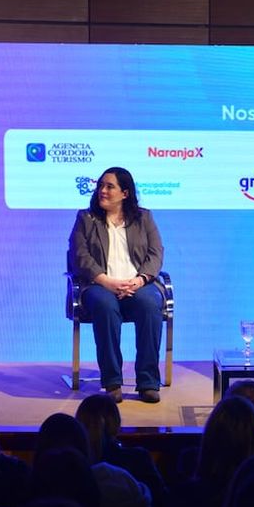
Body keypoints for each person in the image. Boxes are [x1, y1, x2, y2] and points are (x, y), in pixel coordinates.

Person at [68, 166, 164, 404]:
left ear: (125, 193)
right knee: (105, 305)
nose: (102, 190)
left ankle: (148, 382)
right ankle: (112, 382)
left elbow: (156, 253)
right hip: (99, 285)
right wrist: (105, 281)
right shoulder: (86, 218)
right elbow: (80, 256)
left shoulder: (143, 217)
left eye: (109, 186)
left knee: (150, 304)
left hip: (136, 285)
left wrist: (141, 279)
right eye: (101, 185)